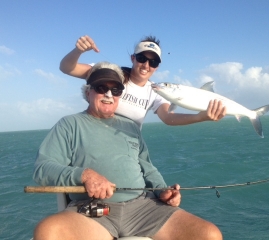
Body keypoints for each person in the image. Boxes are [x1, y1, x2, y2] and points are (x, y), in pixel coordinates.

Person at [32, 62, 223, 240]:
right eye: (101, 88)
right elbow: (42, 169)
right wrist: (84, 175)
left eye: (115, 90)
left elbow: (148, 169)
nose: (108, 94)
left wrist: (163, 191)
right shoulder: (69, 124)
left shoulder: (131, 126)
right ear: (88, 92)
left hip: (144, 209)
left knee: (209, 234)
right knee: (49, 231)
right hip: (93, 212)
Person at [60, 35, 226, 129]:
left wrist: (201, 116)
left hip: (127, 149)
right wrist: (78, 50)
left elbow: (168, 117)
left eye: (153, 62)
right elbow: (67, 68)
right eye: (141, 58)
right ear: (133, 58)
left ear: (157, 67)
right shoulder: (111, 74)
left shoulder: (155, 91)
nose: (146, 65)